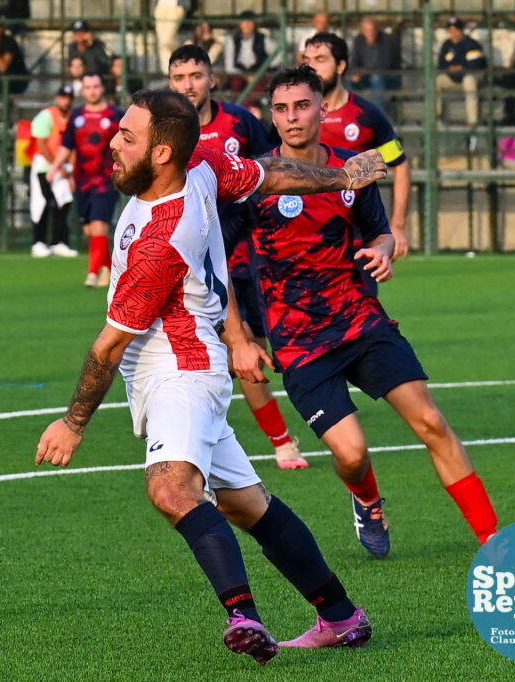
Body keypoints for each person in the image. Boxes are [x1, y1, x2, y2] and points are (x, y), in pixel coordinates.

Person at [35, 87, 386, 662]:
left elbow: (108, 347)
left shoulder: (160, 240)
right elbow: (268, 173)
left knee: (172, 490)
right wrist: (342, 177)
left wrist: (74, 422)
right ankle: (342, 616)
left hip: (180, 370)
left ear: (163, 154)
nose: (112, 143)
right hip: (185, 365)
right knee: (247, 505)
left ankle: (243, 616)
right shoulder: (203, 164)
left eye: (128, 137)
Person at [232, 65, 498, 559]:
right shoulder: (256, 180)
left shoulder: (352, 172)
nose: (293, 118)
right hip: (298, 340)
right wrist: (238, 336)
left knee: (432, 422)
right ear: (271, 116)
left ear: (322, 108)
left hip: (361, 319)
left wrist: (381, 248)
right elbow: (217, 261)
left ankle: (493, 540)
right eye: (282, 109)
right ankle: (367, 499)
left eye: (302, 105)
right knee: (351, 454)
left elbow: (377, 231)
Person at [168, 44, 304, 470]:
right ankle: (280, 442)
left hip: (252, 251)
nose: (187, 85)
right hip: (198, 262)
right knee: (230, 348)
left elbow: (271, 170)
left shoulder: (240, 122)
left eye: (195, 75)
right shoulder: (167, 128)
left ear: (211, 78)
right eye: (178, 78)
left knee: (266, 345)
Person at [302, 33, 410, 260]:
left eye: (320, 59)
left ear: (341, 66)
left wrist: (397, 226)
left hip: (358, 240)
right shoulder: (294, 118)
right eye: (307, 59)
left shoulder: (366, 115)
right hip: (306, 238)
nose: (311, 67)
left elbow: (399, 166)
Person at [45, 74, 123, 287]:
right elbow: (66, 145)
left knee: (99, 226)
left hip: (107, 181)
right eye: (87, 87)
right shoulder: (77, 116)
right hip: (81, 181)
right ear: (83, 90)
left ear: (102, 88)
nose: (92, 91)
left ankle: (91, 274)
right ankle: (109, 267)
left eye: (95, 86)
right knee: (90, 231)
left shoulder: (116, 116)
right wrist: (55, 168)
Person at [29, 85, 77, 259]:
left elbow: (73, 147)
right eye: (63, 97)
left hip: (62, 168)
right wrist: (58, 166)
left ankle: (59, 242)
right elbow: (41, 145)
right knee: (43, 203)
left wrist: (69, 170)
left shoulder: (72, 118)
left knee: (62, 204)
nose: (66, 100)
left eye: (69, 97)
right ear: (57, 98)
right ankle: (38, 242)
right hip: (44, 166)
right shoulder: (46, 116)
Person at [436, 17, 487, 127]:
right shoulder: (446, 45)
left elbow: (475, 65)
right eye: (450, 31)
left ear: (461, 31)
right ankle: (435, 117)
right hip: (453, 78)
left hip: (472, 77)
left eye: (456, 30)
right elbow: (441, 64)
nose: (453, 34)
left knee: (469, 80)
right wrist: (451, 69)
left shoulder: (472, 44)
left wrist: (461, 68)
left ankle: (472, 120)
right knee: (436, 80)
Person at [348, 17, 400, 115]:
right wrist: (355, 73)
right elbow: (354, 61)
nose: (370, 34)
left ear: (377, 30)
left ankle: (378, 115)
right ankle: (351, 114)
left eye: (372, 30)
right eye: (367, 31)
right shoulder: (358, 40)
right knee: (348, 80)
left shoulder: (386, 40)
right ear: (363, 31)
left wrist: (364, 71)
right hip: (365, 76)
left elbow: (385, 65)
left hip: (387, 77)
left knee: (376, 78)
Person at [224, 10, 270, 93]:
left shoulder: (263, 38)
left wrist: (261, 71)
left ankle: (246, 106)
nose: (247, 25)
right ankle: (246, 106)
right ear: (240, 24)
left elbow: (277, 58)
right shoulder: (232, 40)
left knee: (259, 85)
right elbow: (229, 67)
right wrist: (245, 76)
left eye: (250, 22)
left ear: (254, 24)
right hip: (239, 72)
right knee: (235, 84)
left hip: (257, 71)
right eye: (244, 22)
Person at [67, 19, 121, 89]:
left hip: (97, 83)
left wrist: (92, 45)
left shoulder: (96, 46)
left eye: (81, 33)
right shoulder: (72, 48)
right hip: (79, 83)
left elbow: (107, 62)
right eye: (76, 33)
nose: (79, 36)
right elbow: (72, 67)